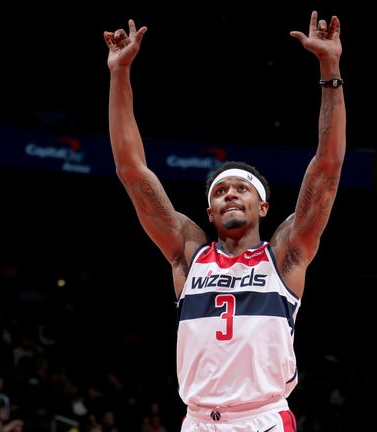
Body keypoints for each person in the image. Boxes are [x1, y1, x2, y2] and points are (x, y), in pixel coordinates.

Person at [103, 10, 345, 432]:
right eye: (219, 192)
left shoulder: (285, 255)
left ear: (263, 207)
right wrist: (119, 73)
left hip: (262, 419)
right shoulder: (187, 253)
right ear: (209, 213)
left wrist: (330, 66)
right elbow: (131, 169)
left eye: (241, 188)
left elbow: (326, 170)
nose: (229, 193)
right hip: (197, 421)